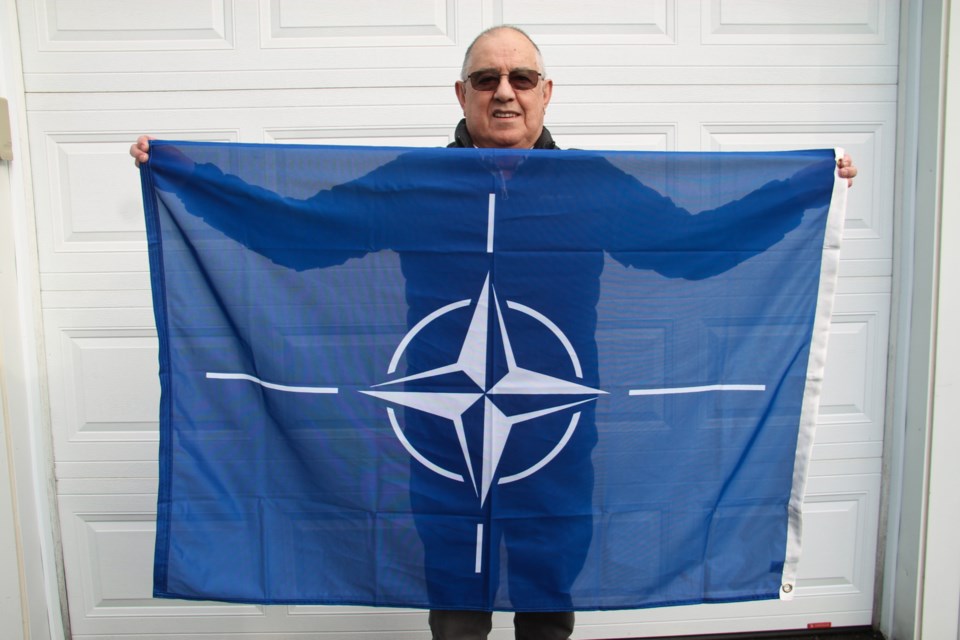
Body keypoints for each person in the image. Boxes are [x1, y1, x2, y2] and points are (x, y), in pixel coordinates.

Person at [132, 25, 857, 640]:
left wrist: (800, 190)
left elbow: (695, 248)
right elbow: (299, 235)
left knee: (547, 604)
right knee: (455, 607)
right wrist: (189, 177)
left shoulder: (591, 186)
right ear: (461, 95)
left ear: (547, 92)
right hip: (442, 436)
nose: (503, 91)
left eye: (521, 77)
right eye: (485, 78)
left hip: (555, 435)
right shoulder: (413, 184)